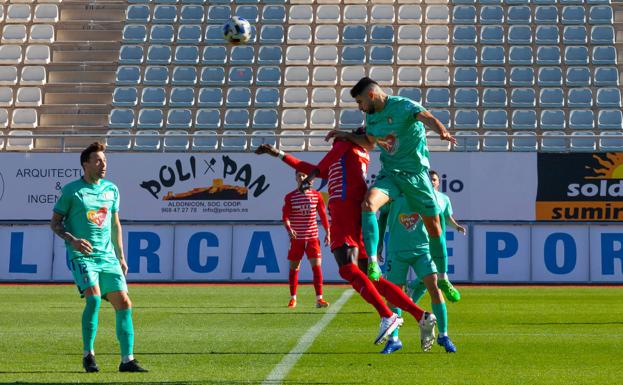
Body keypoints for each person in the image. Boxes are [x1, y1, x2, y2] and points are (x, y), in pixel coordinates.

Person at [255, 134, 437, 350]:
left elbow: (320, 167)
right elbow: (320, 168)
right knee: (370, 277)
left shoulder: (344, 145)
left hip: (344, 207)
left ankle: (387, 315)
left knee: (346, 268)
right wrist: (280, 155)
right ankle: (421, 315)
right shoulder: (355, 153)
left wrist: (312, 171)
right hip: (356, 211)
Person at [325, 77, 457, 284]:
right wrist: (346, 135)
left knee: (434, 227)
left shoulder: (404, 106)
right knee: (368, 204)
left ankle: (443, 277)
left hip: (416, 176)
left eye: (360, 102)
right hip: (390, 174)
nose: (360, 108)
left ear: (371, 94)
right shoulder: (372, 118)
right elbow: (369, 143)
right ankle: (374, 263)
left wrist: (442, 130)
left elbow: (427, 117)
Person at [50, 142, 148, 373]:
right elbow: (55, 223)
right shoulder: (72, 191)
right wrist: (72, 239)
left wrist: (121, 256)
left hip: (108, 257)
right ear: (85, 164)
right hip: (82, 255)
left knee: (124, 303)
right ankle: (88, 355)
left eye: (104, 161)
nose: (103, 164)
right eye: (98, 160)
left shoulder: (111, 190)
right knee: (93, 299)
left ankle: (127, 360)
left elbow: (115, 224)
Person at [377, 195, 457, 354]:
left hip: (423, 250)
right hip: (396, 251)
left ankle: (444, 335)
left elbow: (438, 220)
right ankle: (394, 339)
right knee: (394, 294)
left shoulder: (425, 194)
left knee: (435, 287)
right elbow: (382, 216)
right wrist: (379, 243)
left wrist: (438, 248)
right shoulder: (393, 192)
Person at [409, 170, 466, 304]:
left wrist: (457, 226)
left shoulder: (444, 199)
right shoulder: (418, 196)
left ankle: (411, 301)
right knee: (432, 274)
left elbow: (447, 217)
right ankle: (412, 287)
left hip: (438, 239)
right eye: (429, 179)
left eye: (434, 179)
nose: (432, 181)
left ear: (439, 182)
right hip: (423, 239)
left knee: (431, 277)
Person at [282, 170, 331, 309]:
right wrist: (289, 228)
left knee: (316, 267)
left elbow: (322, 214)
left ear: (310, 180)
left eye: (304, 175)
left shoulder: (316, 196)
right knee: (294, 267)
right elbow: (285, 216)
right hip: (297, 238)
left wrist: (328, 232)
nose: (302, 178)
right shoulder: (290, 197)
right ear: (296, 178)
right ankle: (293, 298)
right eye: (299, 175)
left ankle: (319, 299)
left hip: (312, 237)